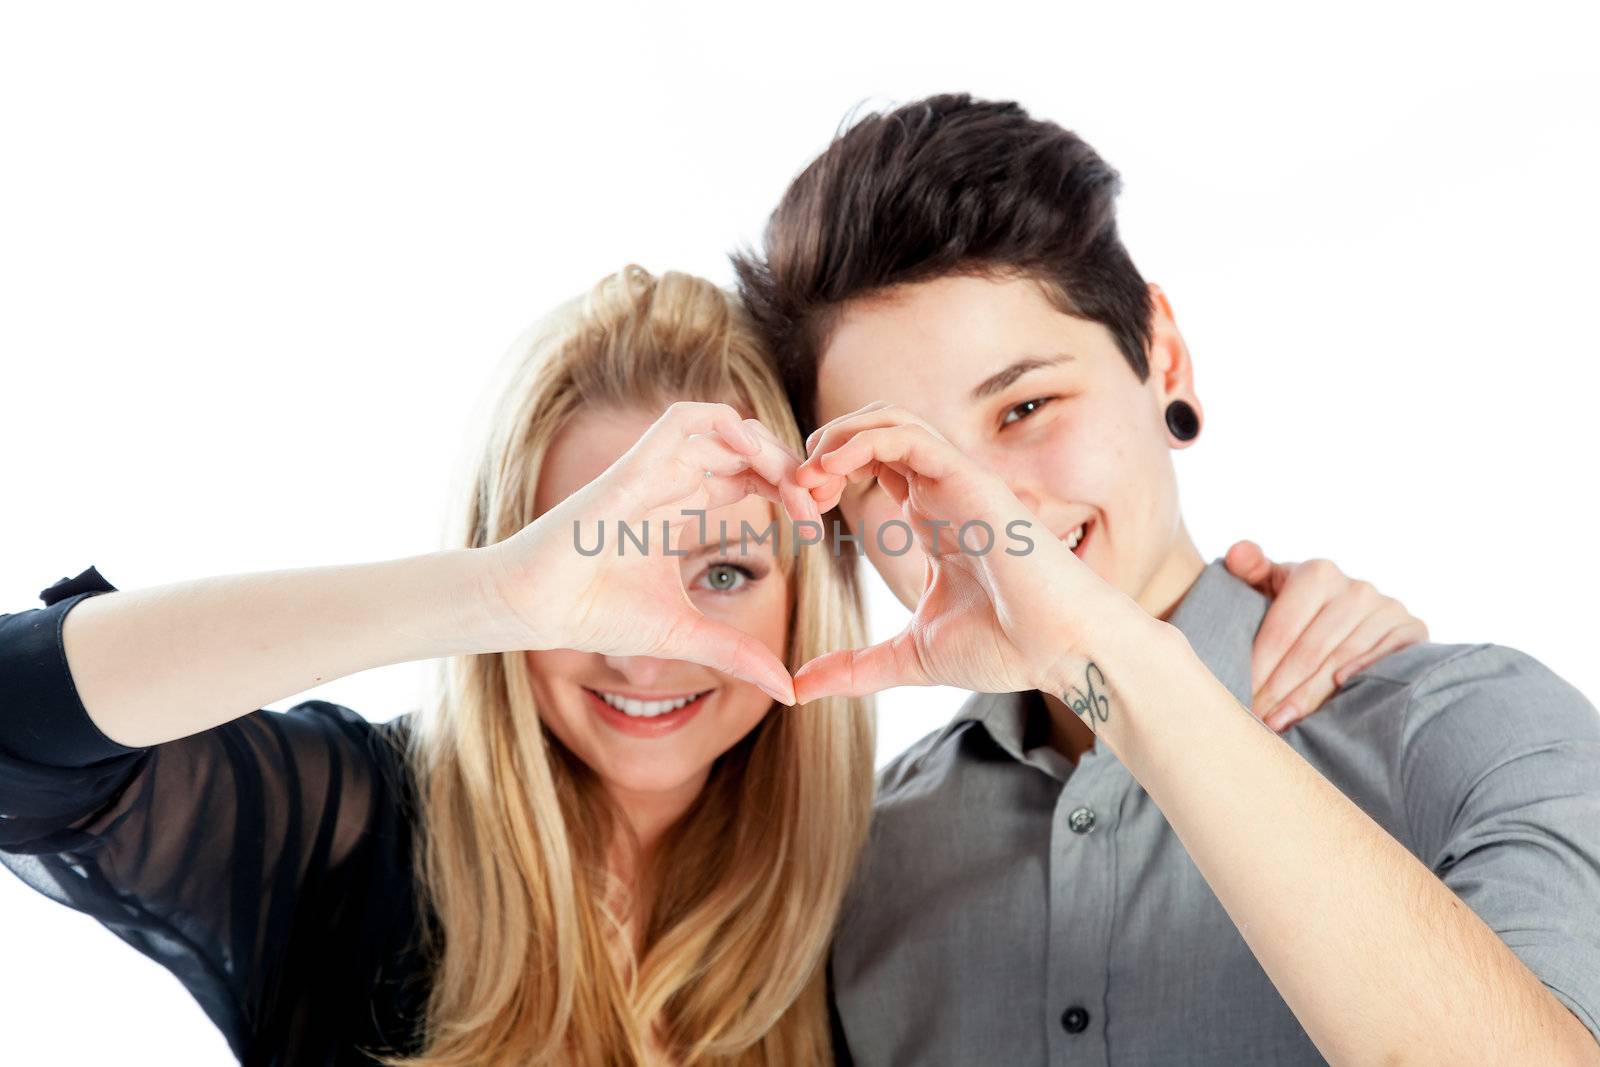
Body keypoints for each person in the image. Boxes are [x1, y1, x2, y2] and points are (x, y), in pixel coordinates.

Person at [0, 264, 1423, 1067]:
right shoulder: (351, 833)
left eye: (726, 572)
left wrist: (1221, 643)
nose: (646, 645)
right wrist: (488, 591)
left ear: (809, 586)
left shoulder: (874, 894)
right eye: (594, 568)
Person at [732, 93, 1600, 1064]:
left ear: (1164, 356)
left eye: (1024, 406)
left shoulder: (1465, 736)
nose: (983, 508)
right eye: (898, 467)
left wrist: (1108, 658)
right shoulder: (857, 863)